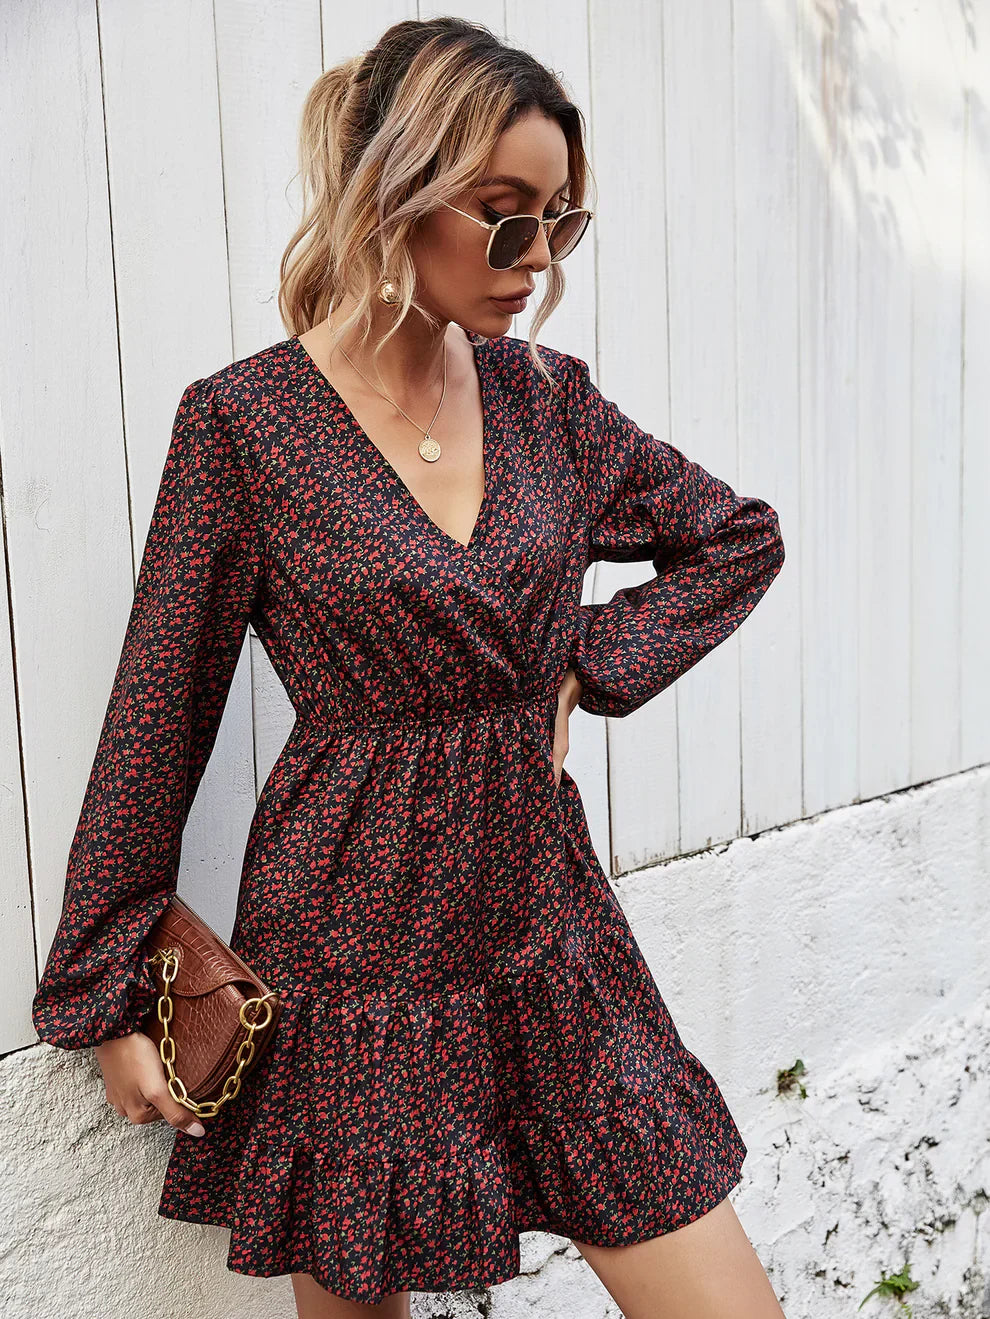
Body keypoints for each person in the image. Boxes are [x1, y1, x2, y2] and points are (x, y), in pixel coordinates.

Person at [32, 16, 788, 1319]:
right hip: (348, 948)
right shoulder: (245, 425)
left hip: (544, 925)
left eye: (559, 220)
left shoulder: (547, 401)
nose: (537, 257)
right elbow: (159, 708)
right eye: (504, 216)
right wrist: (106, 996)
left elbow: (733, 539)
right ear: (396, 187)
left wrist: (584, 661)